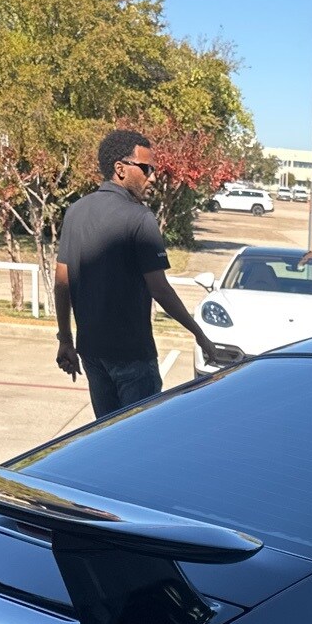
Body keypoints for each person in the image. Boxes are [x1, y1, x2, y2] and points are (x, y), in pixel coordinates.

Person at [55, 129, 217, 414]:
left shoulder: (75, 211)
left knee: (108, 438)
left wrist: (66, 340)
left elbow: (61, 282)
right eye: (146, 168)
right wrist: (199, 333)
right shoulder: (140, 218)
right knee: (140, 442)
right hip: (133, 356)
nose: (152, 177)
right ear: (120, 169)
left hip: (91, 352)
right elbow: (160, 289)